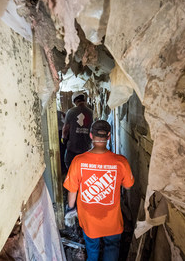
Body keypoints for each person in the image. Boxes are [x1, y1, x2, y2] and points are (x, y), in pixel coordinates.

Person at [63, 120, 134, 261]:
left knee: (92, 249)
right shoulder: (121, 161)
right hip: (112, 220)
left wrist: (70, 208)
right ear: (108, 136)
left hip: (89, 219)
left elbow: (72, 190)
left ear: (91, 136)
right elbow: (128, 186)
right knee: (112, 247)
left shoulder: (78, 161)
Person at [62, 91, 93, 169]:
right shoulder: (91, 112)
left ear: (74, 101)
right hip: (86, 147)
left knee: (70, 166)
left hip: (73, 147)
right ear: (84, 100)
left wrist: (64, 139)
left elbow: (65, 129)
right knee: (84, 168)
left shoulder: (70, 112)